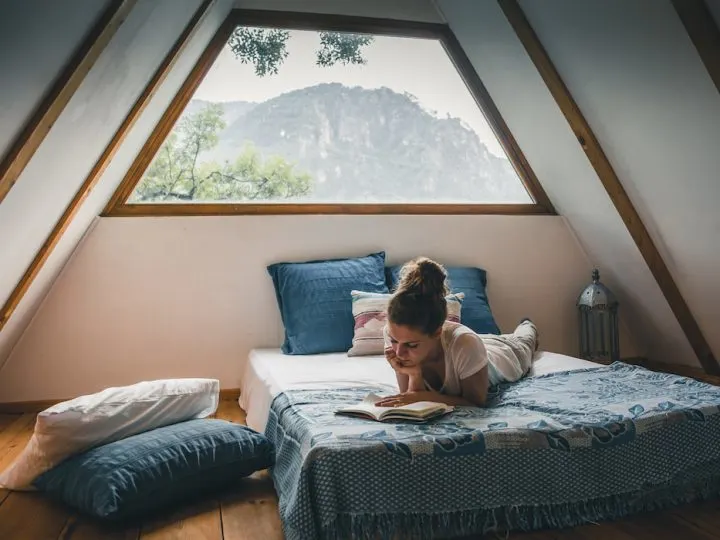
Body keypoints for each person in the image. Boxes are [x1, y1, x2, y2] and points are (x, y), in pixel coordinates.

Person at [375, 257, 538, 408]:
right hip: (470, 348)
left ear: (437, 332)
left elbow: (475, 403)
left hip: (503, 354)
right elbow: (410, 398)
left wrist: (424, 397)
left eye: (411, 345)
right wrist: (414, 374)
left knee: (524, 341)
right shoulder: (393, 334)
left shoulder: (466, 344)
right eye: (395, 341)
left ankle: (528, 326)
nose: (399, 352)